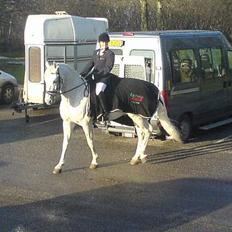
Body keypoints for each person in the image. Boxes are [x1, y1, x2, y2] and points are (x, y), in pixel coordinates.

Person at [80, 32, 115, 120]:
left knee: (99, 91)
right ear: (99, 43)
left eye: (106, 43)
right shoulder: (95, 53)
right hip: (95, 77)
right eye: (103, 42)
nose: (104, 44)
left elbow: (108, 67)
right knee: (88, 91)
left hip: (104, 77)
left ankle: (106, 112)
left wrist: (99, 74)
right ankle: (92, 111)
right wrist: (82, 74)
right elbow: (90, 64)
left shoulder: (110, 54)